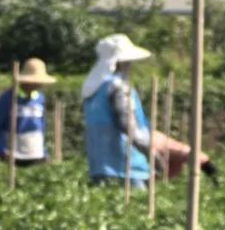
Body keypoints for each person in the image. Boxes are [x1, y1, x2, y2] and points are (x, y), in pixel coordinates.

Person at [81, 32, 209, 188]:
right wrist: (151, 153)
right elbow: (128, 126)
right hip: (127, 164)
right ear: (120, 62)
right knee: (134, 201)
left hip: (99, 164)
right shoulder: (119, 87)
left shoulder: (93, 90)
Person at [0, 57, 54, 166]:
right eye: (35, 82)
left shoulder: (40, 98)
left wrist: (44, 151)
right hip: (13, 153)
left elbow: (41, 126)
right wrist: (1, 149)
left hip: (36, 153)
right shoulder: (8, 97)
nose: (39, 85)